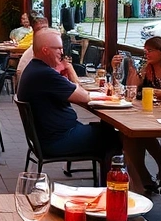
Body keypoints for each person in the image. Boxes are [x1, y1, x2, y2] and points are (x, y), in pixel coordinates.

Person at [16, 29, 120, 162]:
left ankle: (131, 179)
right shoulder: (45, 74)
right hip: (57, 140)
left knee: (106, 130)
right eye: (58, 48)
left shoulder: (34, 69)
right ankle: (115, 180)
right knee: (113, 137)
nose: (62, 52)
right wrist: (70, 70)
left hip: (48, 137)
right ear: (45, 50)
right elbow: (84, 97)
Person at [111, 36, 161, 193]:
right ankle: (147, 177)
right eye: (145, 50)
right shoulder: (147, 69)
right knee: (128, 134)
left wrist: (153, 92)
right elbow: (131, 90)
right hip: (149, 113)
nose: (147, 54)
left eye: (150, 50)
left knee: (137, 133)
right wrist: (120, 70)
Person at [15, 17, 51, 83]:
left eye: (45, 29)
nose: (43, 32)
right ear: (34, 33)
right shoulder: (40, 51)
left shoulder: (40, 49)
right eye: (40, 30)